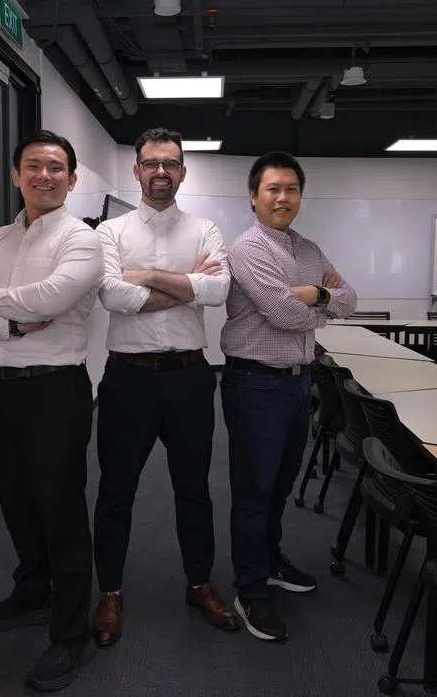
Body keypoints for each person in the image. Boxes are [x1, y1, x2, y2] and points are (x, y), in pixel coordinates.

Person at [0, 130, 103, 691]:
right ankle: (34, 592)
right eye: (33, 166)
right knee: (16, 501)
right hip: (2, 392)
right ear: (16, 175)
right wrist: (9, 323)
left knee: (61, 510)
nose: (44, 175)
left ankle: (71, 632)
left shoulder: (83, 241)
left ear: (72, 180)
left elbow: (52, 298)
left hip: (56, 392)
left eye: (56, 167)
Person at [91, 127, 240, 647]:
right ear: (136, 170)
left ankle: (199, 584)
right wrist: (185, 285)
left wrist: (148, 275)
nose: (161, 172)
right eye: (151, 163)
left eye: (170, 163)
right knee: (115, 491)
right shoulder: (109, 233)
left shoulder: (205, 229)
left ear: (182, 172)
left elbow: (218, 291)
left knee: (194, 489)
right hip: (126, 380)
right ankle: (109, 592)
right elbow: (111, 295)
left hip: (190, 380)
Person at [219, 150, 358, 642]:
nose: (283, 197)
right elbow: (282, 314)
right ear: (253, 197)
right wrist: (319, 300)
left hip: (299, 382)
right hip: (255, 385)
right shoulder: (248, 249)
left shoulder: (309, 248)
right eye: (273, 189)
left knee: (280, 485)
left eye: (292, 189)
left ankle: (270, 559)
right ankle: (250, 588)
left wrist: (316, 294)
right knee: (254, 492)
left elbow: (350, 299)